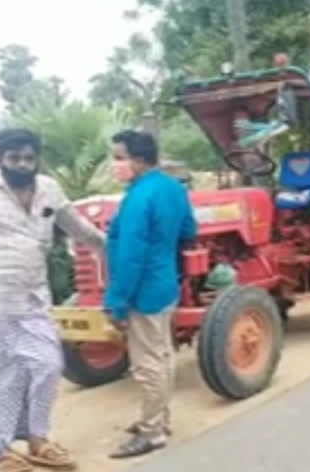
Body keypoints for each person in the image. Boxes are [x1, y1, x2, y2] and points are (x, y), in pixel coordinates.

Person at [0, 129, 106, 472]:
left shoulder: (49, 188)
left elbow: (78, 228)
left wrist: (113, 249)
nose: (22, 165)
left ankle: (37, 439)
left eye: (28, 158)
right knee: (6, 377)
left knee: (48, 365)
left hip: (34, 299)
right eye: (13, 159)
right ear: (1, 158)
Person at [104, 130, 196, 459]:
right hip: (165, 283)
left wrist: (116, 301)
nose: (115, 164)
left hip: (143, 290)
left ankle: (153, 431)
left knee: (147, 363)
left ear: (139, 159)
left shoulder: (139, 197)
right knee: (164, 355)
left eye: (119, 157)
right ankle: (160, 417)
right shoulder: (173, 188)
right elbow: (189, 230)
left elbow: (130, 255)